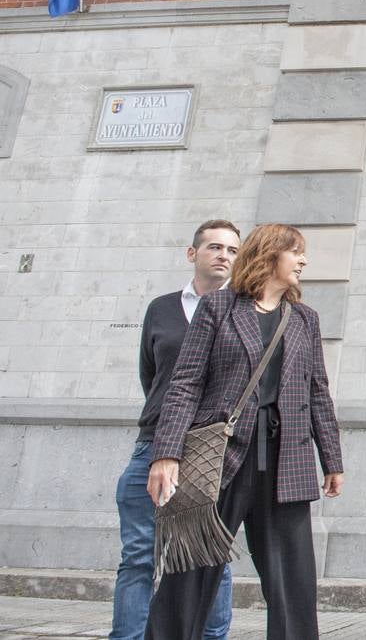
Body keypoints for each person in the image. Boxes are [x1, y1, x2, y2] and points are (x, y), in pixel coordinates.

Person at [144, 223, 344, 640]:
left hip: (286, 458)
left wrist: (332, 460)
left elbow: (319, 392)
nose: (303, 261)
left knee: (293, 582)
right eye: (296, 252)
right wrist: (166, 453)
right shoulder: (219, 308)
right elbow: (185, 383)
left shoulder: (305, 318)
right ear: (270, 255)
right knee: (191, 572)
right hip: (220, 459)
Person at [110, 220, 241, 640]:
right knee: (138, 558)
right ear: (193, 254)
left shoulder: (243, 311)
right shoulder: (161, 309)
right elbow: (153, 376)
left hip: (209, 452)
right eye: (215, 247)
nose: (224, 256)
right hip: (151, 445)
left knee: (208, 557)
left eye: (233, 251)